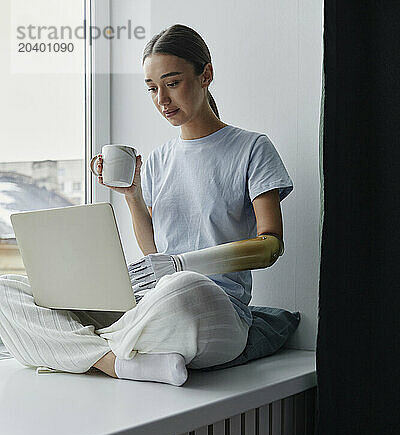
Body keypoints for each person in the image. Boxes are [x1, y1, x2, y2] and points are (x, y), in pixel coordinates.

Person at [0, 24, 293, 386]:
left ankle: (79, 348)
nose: (162, 100)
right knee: (6, 290)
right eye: (152, 89)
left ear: (206, 75)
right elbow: (154, 251)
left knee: (183, 285)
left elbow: (270, 246)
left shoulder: (251, 148)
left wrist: (183, 263)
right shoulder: (157, 160)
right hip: (151, 304)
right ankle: (117, 361)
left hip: (211, 308)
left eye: (172, 83)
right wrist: (133, 197)